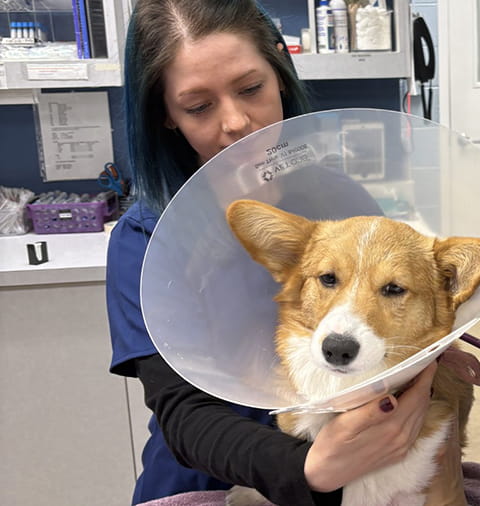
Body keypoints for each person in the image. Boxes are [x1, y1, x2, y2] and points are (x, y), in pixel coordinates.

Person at [106, 1, 447, 505]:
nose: (238, 121)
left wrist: (436, 345)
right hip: (208, 482)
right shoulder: (146, 240)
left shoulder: (344, 205)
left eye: (251, 89)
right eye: (199, 107)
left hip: (355, 474)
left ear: (280, 76)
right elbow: (181, 411)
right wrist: (309, 467)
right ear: (167, 116)